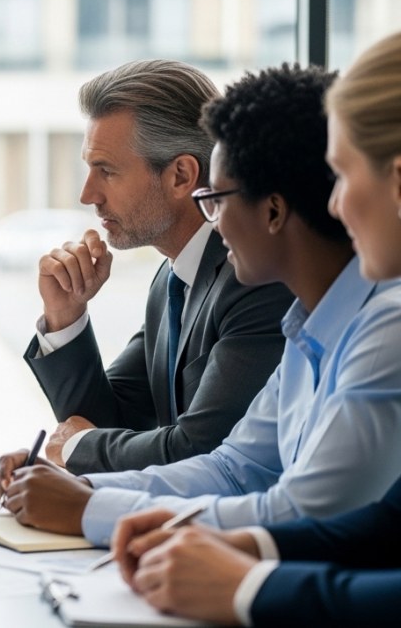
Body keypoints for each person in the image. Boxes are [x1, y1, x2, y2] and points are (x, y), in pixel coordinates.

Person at [0, 62, 401, 546]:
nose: (334, 203)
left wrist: (88, 503)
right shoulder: (302, 327)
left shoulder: (376, 325)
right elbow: (233, 467)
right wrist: (80, 489)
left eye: (216, 200)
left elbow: (296, 510)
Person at [111, 32, 401, 627]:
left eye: (342, 177)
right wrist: (250, 551)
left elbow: (312, 510)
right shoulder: (308, 327)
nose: (336, 205)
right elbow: (382, 522)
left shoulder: (389, 323)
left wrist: (247, 586)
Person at [16, 59, 293, 475]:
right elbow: (106, 422)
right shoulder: (172, 279)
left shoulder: (255, 279)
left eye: (105, 171)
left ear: (181, 176)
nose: (87, 195)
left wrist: (74, 448)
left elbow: (202, 452)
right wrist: (65, 316)